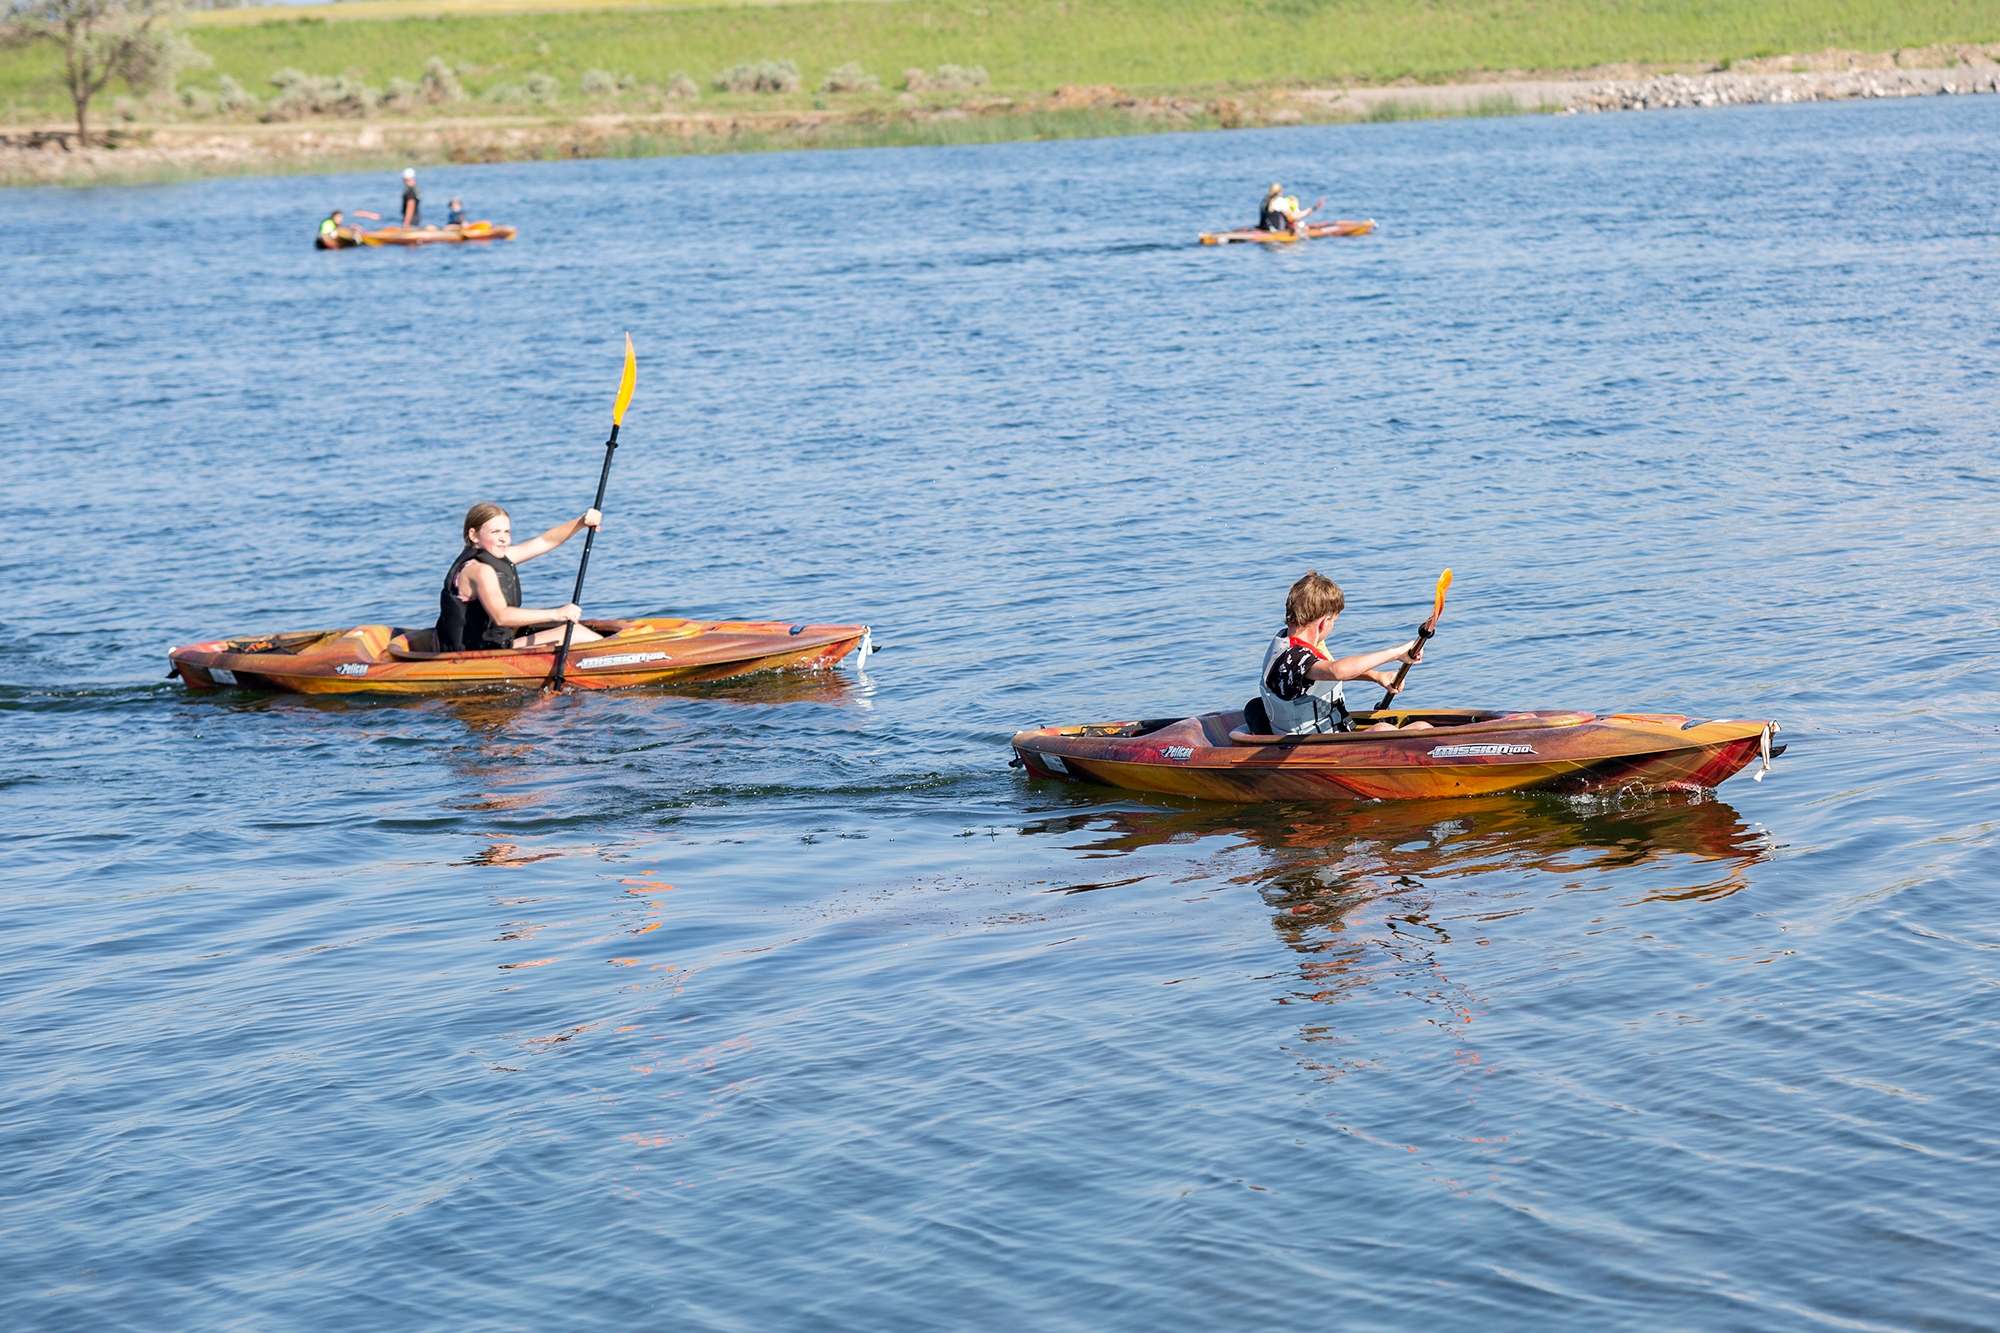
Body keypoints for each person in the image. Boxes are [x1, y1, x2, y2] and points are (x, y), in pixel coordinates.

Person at [1257, 570, 1430, 735]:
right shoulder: (1292, 659)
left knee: (1422, 727)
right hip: (1308, 747)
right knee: (1382, 730)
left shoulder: (1291, 641)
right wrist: (1396, 653)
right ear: (1325, 622)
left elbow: (1327, 673)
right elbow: (1337, 670)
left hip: (1332, 734)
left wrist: (1377, 676)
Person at [436, 501, 606, 652]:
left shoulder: (498, 557)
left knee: (576, 632)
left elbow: (545, 541)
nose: (503, 539)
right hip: (474, 656)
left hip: (493, 647)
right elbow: (501, 616)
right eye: (495, 532)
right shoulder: (479, 571)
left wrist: (581, 522)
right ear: (474, 535)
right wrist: (557, 613)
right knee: (578, 634)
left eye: (507, 532)